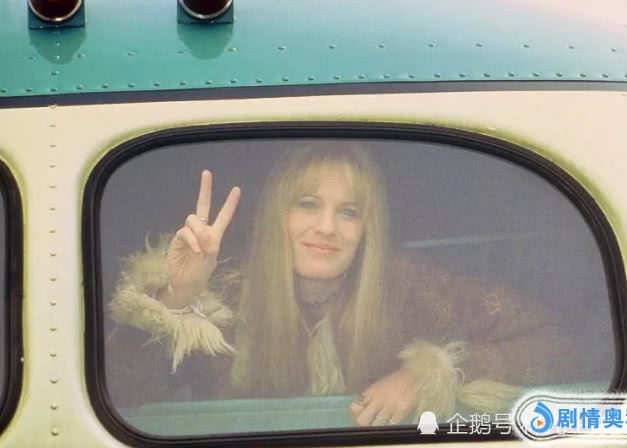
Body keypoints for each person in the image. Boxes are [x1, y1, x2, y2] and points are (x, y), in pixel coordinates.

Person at [107, 144, 584, 426]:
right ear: (276, 217)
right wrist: (179, 297)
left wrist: (430, 374)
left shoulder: (407, 286)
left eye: (349, 212)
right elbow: (117, 396)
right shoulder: (225, 296)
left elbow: (557, 344)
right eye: (308, 204)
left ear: (366, 229)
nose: (327, 228)